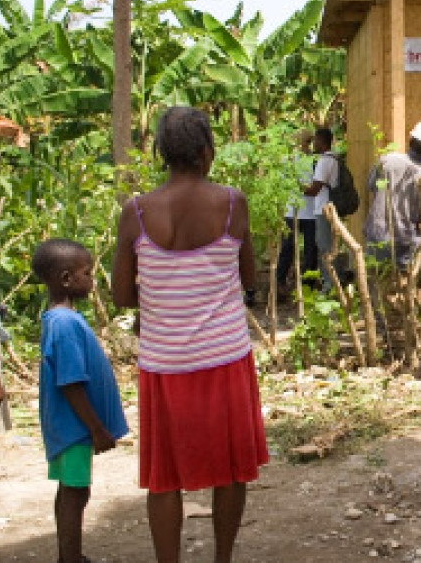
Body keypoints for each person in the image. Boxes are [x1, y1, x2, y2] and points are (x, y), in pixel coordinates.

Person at [112, 106, 268, 563]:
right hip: (225, 357)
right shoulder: (233, 203)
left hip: (164, 364)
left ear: (163, 154)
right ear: (206, 152)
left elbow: (122, 295)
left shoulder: (136, 212)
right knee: (232, 470)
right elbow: (248, 277)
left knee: (165, 478)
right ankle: (222, 558)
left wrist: (161, 298)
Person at [34, 238, 129, 563]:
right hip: (74, 427)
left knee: (70, 490)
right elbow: (71, 383)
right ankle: (70, 557)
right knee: (76, 491)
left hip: (69, 426)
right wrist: (97, 429)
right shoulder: (64, 324)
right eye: (87, 274)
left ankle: (68, 555)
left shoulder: (60, 319)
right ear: (66, 279)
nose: (92, 280)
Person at [364, 120, 421, 272]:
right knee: (408, 289)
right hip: (405, 245)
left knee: (377, 287)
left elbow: (370, 186)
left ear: (411, 140)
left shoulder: (386, 161)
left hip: (376, 239)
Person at [275, 129, 320, 295]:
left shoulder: (316, 161)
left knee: (310, 250)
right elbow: (281, 183)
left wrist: (298, 186)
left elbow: (315, 186)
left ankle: (308, 284)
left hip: (310, 212)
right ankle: (280, 281)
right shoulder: (287, 160)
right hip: (291, 211)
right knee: (287, 248)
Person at [302, 126, 342, 290]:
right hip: (327, 208)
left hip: (324, 209)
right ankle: (333, 281)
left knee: (325, 247)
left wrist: (297, 186)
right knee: (329, 246)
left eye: (315, 140)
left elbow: (314, 190)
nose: (314, 144)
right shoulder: (332, 159)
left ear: (321, 141)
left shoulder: (325, 161)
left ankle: (330, 285)